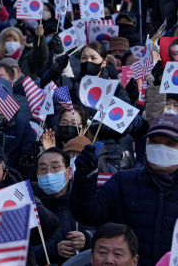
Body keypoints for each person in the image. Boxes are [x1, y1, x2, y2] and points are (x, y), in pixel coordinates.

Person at [69, 113, 178, 266]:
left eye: (170, 143)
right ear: (146, 147)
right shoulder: (123, 181)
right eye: (155, 141)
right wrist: (85, 178)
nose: (161, 147)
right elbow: (88, 213)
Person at [32, 147, 92, 265]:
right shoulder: (33, 210)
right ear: (37, 175)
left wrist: (87, 238)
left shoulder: (87, 202)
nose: (48, 174)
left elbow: (110, 233)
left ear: (69, 172)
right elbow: (24, 252)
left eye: (55, 167)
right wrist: (52, 250)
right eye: (43, 169)